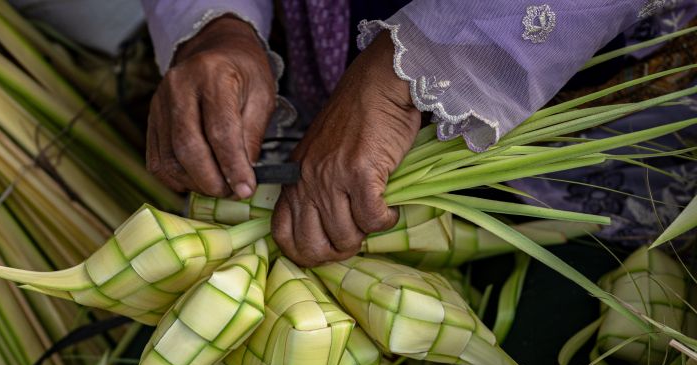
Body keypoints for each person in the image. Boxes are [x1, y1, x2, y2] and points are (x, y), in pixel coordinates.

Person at [142, 0, 697, 266]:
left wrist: (403, 73)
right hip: (325, 64)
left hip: (583, 120)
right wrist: (217, 26)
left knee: (601, 264)